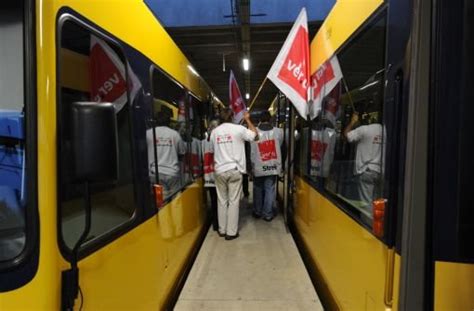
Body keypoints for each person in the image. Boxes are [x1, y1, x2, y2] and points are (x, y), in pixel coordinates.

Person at [210, 108, 258, 240]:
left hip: (219, 170)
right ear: (232, 117)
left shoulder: (214, 132)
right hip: (234, 170)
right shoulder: (239, 129)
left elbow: (212, 149)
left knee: (222, 201)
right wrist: (247, 119)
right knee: (233, 201)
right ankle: (231, 233)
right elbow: (255, 136)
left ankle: (222, 229)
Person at [343, 110, 383, 216]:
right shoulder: (386, 131)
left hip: (366, 171)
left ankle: (368, 227)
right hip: (380, 172)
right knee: (378, 204)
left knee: (367, 205)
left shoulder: (365, 129)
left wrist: (352, 122)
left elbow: (347, 135)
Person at [250, 111, 283, 221]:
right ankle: (268, 214)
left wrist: (249, 167)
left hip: (258, 166)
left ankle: (257, 211)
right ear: (270, 119)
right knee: (270, 189)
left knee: (258, 188)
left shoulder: (254, 132)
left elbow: (249, 150)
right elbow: (283, 148)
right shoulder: (279, 132)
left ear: (259, 120)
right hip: (273, 166)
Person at [146, 112, 186, 200]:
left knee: (160, 202)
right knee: (176, 201)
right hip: (172, 175)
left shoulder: (148, 134)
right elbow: (182, 153)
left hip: (155, 174)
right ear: (169, 122)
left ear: (155, 122)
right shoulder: (175, 134)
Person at [202, 119, 219, 231]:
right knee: (222, 201)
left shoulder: (202, 142)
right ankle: (221, 222)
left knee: (213, 201)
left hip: (208, 176)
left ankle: (215, 224)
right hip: (219, 175)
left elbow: (201, 159)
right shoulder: (219, 140)